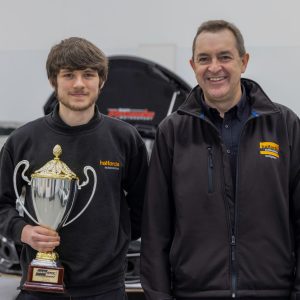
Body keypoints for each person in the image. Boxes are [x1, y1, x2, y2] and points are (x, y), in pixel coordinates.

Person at [140, 19, 300, 300]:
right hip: (194, 292)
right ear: (193, 66)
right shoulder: (172, 132)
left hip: (272, 291)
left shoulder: (284, 126)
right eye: (204, 59)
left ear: (243, 61)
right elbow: (155, 231)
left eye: (224, 56)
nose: (214, 67)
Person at [0, 37, 148, 299]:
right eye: (68, 75)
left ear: (101, 81)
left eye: (88, 74)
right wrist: (22, 231)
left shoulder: (125, 139)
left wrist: (114, 239)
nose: (79, 84)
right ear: (53, 81)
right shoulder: (22, 141)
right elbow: (1, 204)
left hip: (105, 288)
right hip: (39, 286)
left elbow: (143, 208)